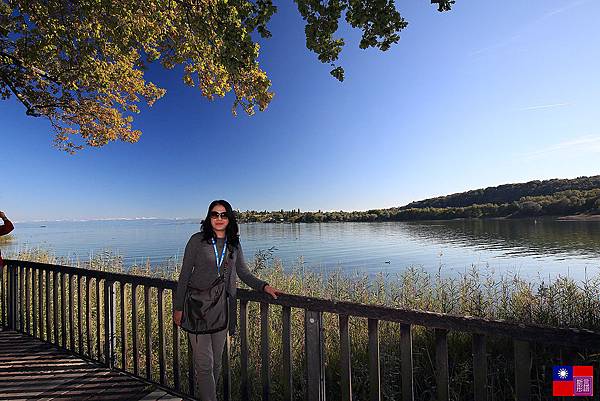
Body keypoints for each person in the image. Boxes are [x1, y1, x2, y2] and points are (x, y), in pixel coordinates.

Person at [173, 200, 281, 401]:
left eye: (224, 215)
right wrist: (178, 308)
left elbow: (243, 272)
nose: (219, 218)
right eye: (215, 214)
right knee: (204, 365)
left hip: (223, 310)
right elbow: (184, 276)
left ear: (230, 218)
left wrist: (264, 286)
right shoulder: (196, 240)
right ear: (209, 217)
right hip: (197, 310)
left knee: (216, 364)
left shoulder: (234, 244)